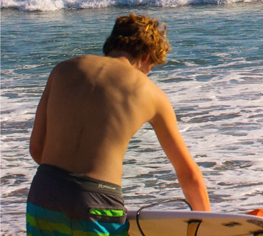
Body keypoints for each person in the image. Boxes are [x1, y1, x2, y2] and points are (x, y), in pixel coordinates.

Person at [27, 14, 210, 235]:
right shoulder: (151, 93)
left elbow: (37, 148)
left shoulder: (62, 70)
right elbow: (189, 175)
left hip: (44, 194)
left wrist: (65, 186)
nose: (148, 72)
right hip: (97, 204)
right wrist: (207, 225)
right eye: (151, 66)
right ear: (146, 55)